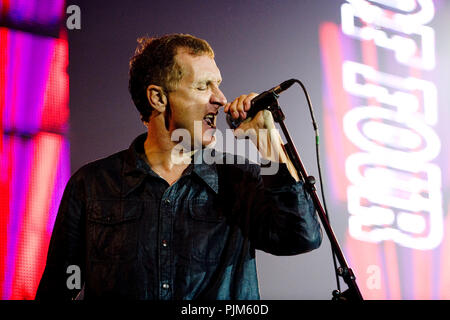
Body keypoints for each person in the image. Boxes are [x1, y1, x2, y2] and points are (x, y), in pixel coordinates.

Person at [35, 33, 322, 300]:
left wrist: (270, 147)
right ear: (158, 98)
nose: (221, 99)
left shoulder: (238, 178)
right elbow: (56, 290)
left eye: (218, 84)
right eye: (202, 86)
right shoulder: (93, 184)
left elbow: (302, 237)